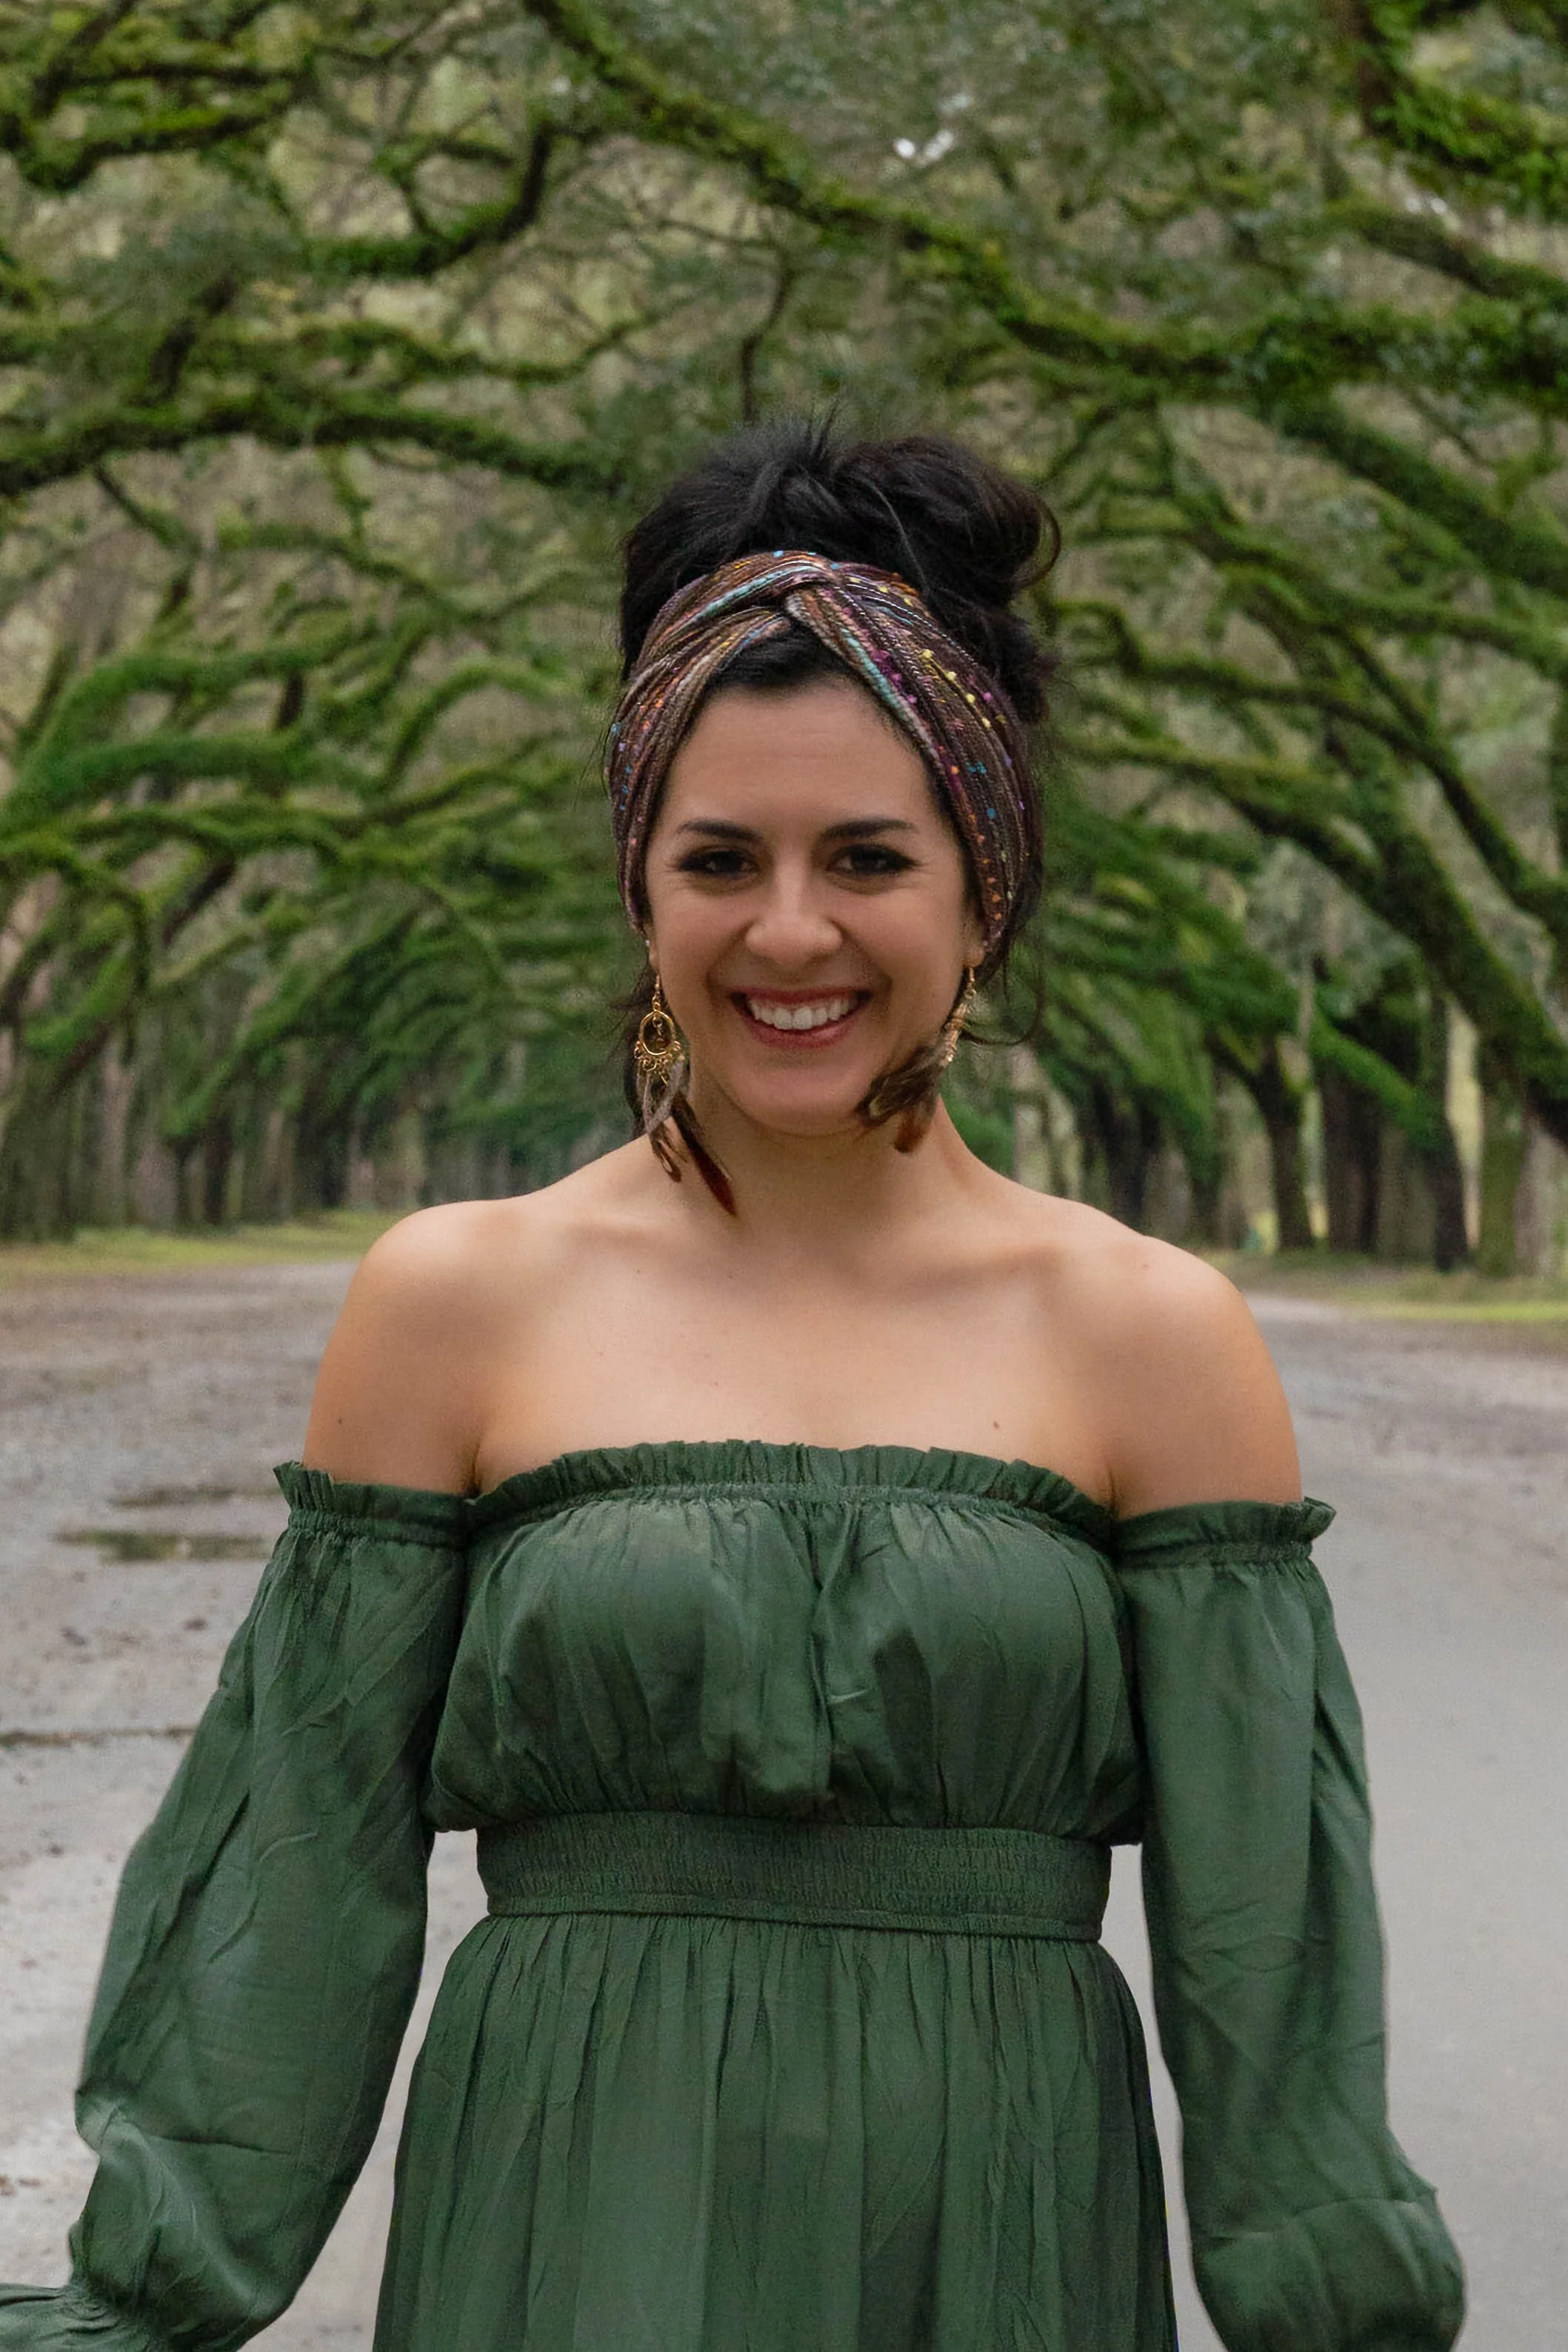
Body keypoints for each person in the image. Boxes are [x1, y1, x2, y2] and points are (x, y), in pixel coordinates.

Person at [0, 423, 1464, 2352]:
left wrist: (1334, 2310)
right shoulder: (455, 1300)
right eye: (719, 859)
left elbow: (1268, 1982)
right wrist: (149, 2292)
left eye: (867, 857)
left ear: (982, 888)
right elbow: (301, 1872)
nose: (788, 930)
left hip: (996, 2240)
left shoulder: (1150, 1331)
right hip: (562, 2225)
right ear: (641, 886)